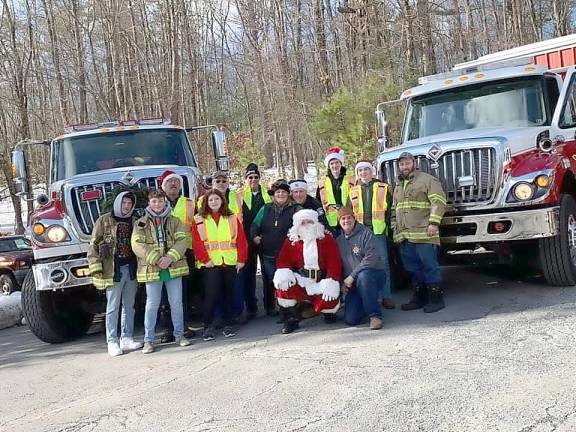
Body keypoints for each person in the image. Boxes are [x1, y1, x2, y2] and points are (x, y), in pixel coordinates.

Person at [131, 189, 191, 353]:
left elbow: (182, 240)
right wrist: (157, 259)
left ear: (165, 202)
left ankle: (179, 335)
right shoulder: (141, 223)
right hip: (153, 269)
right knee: (152, 304)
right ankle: (148, 340)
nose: (157, 204)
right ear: (149, 203)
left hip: (173, 267)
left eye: (160, 201)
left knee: (176, 303)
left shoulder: (175, 221)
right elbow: (137, 244)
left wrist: (170, 257)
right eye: (154, 201)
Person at [88, 191, 143, 357]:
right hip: (113, 270)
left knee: (129, 306)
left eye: (129, 203)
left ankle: (127, 337)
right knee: (112, 307)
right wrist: (96, 269)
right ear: (118, 203)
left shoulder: (135, 221)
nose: (126, 206)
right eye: (124, 202)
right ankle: (111, 341)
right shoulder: (104, 221)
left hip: (131, 268)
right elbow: (93, 245)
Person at [392, 152, 447, 313]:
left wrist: (434, 223)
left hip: (425, 234)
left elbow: (439, 201)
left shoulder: (427, 179)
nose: (405, 166)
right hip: (405, 236)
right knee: (413, 269)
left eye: (407, 163)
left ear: (414, 163)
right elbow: (395, 210)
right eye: (402, 164)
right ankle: (419, 297)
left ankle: (436, 299)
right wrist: (395, 230)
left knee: (430, 266)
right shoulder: (397, 185)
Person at [273, 209, 342, 334]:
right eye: (302, 222)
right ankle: (291, 319)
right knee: (283, 287)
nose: (306, 225)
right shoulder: (291, 241)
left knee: (330, 293)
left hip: (321, 280)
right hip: (302, 280)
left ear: (315, 223)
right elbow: (283, 261)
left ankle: (328, 314)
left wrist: (332, 280)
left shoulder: (326, 239)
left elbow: (334, 263)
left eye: (309, 222)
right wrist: (284, 274)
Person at [192, 189, 248, 341]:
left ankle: (229, 324)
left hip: (229, 261)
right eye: (210, 200)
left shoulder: (231, 218)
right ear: (206, 202)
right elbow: (197, 243)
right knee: (211, 295)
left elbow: (241, 239)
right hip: (210, 263)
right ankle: (208, 326)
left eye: (217, 199)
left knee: (229, 294)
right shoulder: (199, 219)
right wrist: (205, 259)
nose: (214, 202)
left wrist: (242, 259)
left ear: (222, 200)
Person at [348, 160, 395, 309]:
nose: (363, 173)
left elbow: (390, 210)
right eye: (360, 170)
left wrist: (389, 227)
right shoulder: (353, 191)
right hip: (360, 233)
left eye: (366, 169)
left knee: (383, 263)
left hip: (378, 231)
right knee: (363, 265)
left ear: (372, 171)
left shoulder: (382, 187)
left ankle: (386, 296)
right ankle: (369, 297)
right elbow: (349, 213)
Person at [250, 180, 300, 317]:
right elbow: (254, 224)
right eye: (278, 192)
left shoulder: (296, 209)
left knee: (287, 281)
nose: (280, 194)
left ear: (288, 194)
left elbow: (303, 225)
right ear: (273, 195)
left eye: (283, 192)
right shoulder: (266, 208)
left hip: (288, 254)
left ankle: (289, 308)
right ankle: (270, 307)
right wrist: (254, 237)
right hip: (268, 253)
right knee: (270, 280)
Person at [158, 170, 196, 339]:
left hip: (185, 253)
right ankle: (167, 329)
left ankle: (184, 325)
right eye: (169, 182)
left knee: (183, 292)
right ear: (162, 186)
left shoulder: (190, 203)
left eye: (176, 181)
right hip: (164, 256)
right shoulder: (157, 204)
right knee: (165, 293)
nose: (173, 184)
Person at [336, 207, 385, 330]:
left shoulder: (365, 233)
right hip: (352, 284)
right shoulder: (338, 241)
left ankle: (375, 316)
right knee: (351, 319)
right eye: (343, 218)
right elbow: (339, 265)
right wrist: (342, 282)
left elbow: (371, 258)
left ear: (354, 219)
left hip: (374, 275)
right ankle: (367, 302)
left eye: (349, 218)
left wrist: (352, 276)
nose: (346, 221)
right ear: (339, 221)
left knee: (364, 276)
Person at [240, 163, 271, 319]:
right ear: (245, 179)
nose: (253, 180)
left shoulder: (267, 195)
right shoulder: (239, 196)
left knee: (267, 272)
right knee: (249, 274)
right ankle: (251, 307)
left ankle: (270, 306)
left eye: (256, 177)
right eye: (250, 177)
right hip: (246, 240)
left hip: (264, 238)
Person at [316, 146, 354, 233]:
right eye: (332, 163)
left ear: (341, 164)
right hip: (331, 224)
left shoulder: (351, 180)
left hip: (348, 221)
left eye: (337, 162)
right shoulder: (322, 183)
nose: (335, 165)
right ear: (328, 166)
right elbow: (318, 203)